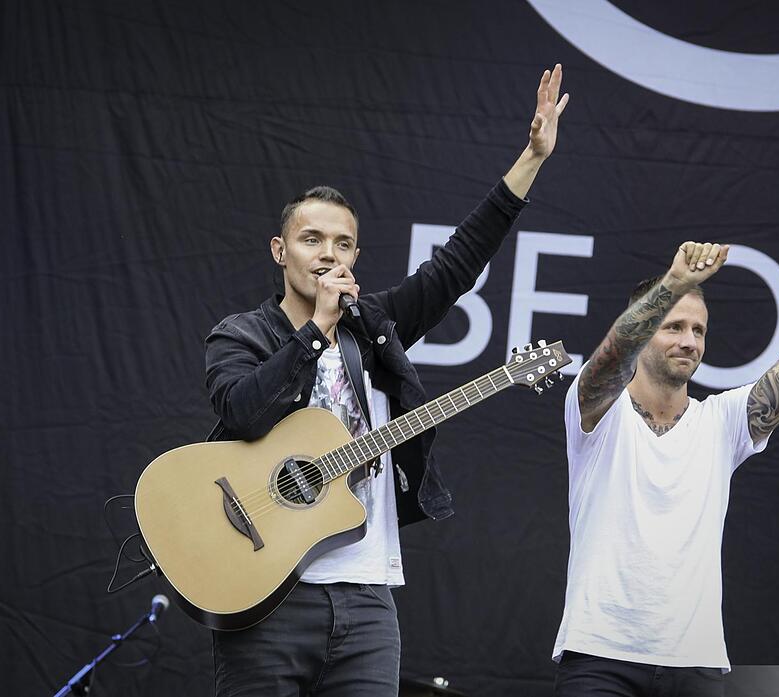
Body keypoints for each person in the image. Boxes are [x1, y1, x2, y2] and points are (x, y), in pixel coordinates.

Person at [203, 64, 569, 697]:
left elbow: (458, 263)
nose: (328, 254)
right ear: (278, 251)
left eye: (343, 245)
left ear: (356, 259)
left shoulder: (376, 327)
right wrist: (314, 332)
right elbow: (240, 411)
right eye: (311, 239)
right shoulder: (240, 334)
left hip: (369, 599)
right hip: (266, 597)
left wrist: (532, 159)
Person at [553, 241, 779, 696]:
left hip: (696, 662)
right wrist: (675, 282)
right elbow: (614, 355)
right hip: (599, 655)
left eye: (698, 330)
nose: (689, 341)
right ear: (646, 328)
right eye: (673, 326)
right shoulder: (596, 408)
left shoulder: (721, 420)